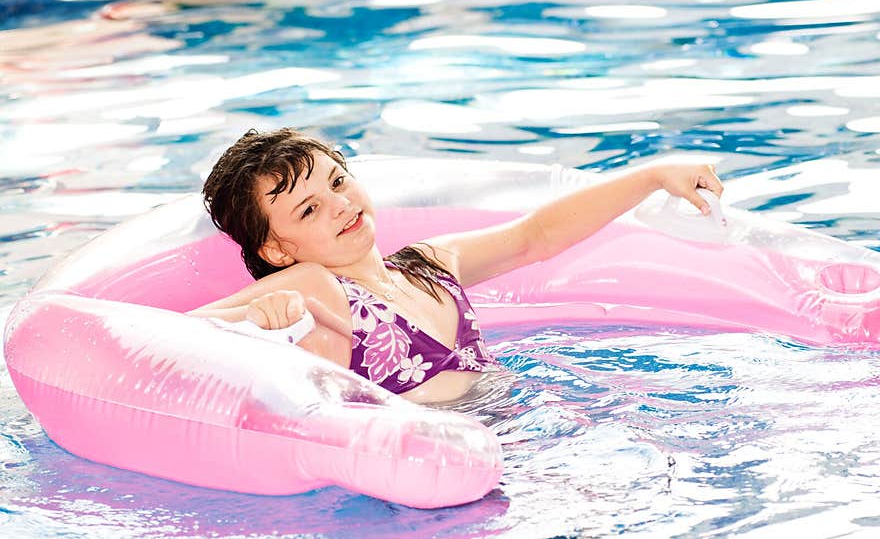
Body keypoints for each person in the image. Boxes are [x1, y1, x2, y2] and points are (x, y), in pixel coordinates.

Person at [188, 127, 724, 404]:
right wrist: (257, 318)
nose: (340, 205)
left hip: (517, 428)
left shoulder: (426, 264)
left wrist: (653, 176)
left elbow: (535, 235)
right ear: (278, 251)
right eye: (309, 209)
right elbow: (173, 332)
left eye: (337, 181)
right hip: (438, 460)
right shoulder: (314, 284)